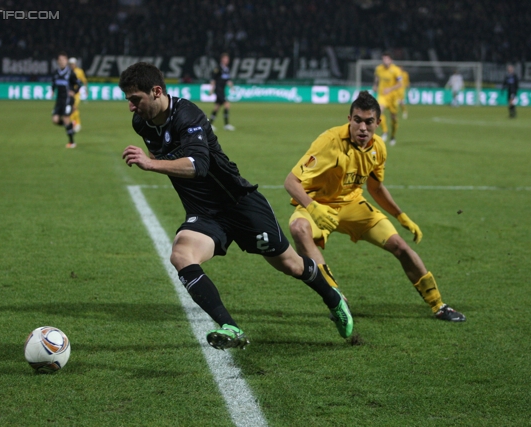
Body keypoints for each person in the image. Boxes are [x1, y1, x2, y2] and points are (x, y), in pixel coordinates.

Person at [120, 62, 353, 350]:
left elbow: (199, 165)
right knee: (181, 255)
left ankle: (333, 299)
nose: (131, 107)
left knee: (292, 265)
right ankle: (230, 326)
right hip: (204, 213)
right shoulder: (141, 124)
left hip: (240, 204)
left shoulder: (187, 115)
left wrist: (150, 163)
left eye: (135, 99)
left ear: (156, 92)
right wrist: (158, 161)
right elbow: (166, 155)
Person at [284, 91, 466, 323]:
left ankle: (439, 305)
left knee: (401, 246)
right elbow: (291, 181)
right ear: (349, 118)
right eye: (357, 120)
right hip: (320, 204)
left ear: (378, 123)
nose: (362, 127)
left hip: (353, 204)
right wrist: (311, 207)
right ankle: (337, 299)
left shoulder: (378, 147)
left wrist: (400, 216)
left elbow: (376, 188)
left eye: (369, 121)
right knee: (299, 228)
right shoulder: (328, 142)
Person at [373, 52, 403, 146]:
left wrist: (390, 89)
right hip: (382, 95)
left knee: (393, 118)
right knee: (379, 111)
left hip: (393, 97)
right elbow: (377, 77)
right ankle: (385, 131)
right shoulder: (379, 69)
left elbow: (400, 84)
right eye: (383, 59)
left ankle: (393, 136)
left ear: (391, 60)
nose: (384, 61)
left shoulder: (396, 70)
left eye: (386, 59)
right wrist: (375, 85)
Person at [51, 52, 80, 148]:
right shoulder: (56, 73)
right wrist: (52, 90)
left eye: (63, 60)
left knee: (66, 117)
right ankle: (71, 126)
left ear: (66, 61)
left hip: (68, 99)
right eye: (60, 60)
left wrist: (74, 91)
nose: (62, 62)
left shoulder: (71, 73)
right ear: (57, 62)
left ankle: (72, 142)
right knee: (55, 120)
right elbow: (53, 83)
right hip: (59, 100)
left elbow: (78, 84)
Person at [208, 53, 235, 131]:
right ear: (222, 59)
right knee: (227, 105)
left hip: (222, 90)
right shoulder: (218, 68)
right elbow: (213, 80)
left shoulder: (226, 69)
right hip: (218, 90)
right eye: (226, 59)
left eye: (228, 59)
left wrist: (231, 86)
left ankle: (210, 125)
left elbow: (227, 80)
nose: (227, 60)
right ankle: (226, 125)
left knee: (217, 107)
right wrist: (211, 90)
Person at [68, 57, 88, 133]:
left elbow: (84, 80)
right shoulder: (68, 72)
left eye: (73, 64)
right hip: (69, 93)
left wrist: (86, 90)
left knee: (74, 107)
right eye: (70, 64)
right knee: (71, 109)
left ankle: (76, 123)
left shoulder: (79, 71)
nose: (72, 65)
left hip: (76, 93)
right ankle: (75, 123)